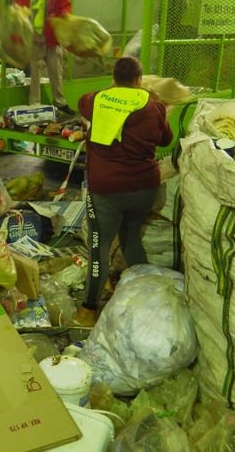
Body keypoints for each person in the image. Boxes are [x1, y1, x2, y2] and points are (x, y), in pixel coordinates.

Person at [72, 56, 173, 327]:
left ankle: (88, 310)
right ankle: (145, 301)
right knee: (131, 240)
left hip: (106, 191)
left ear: (114, 78)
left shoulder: (98, 100)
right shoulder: (153, 107)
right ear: (139, 80)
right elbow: (166, 139)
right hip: (143, 188)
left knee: (99, 246)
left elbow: (81, 101)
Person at [14, 0, 73, 114]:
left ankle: (60, 103)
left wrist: (64, 16)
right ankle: (35, 105)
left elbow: (64, 5)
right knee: (34, 74)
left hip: (52, 38)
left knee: (56, 72)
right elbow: (18, 15)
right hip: (33, 40)